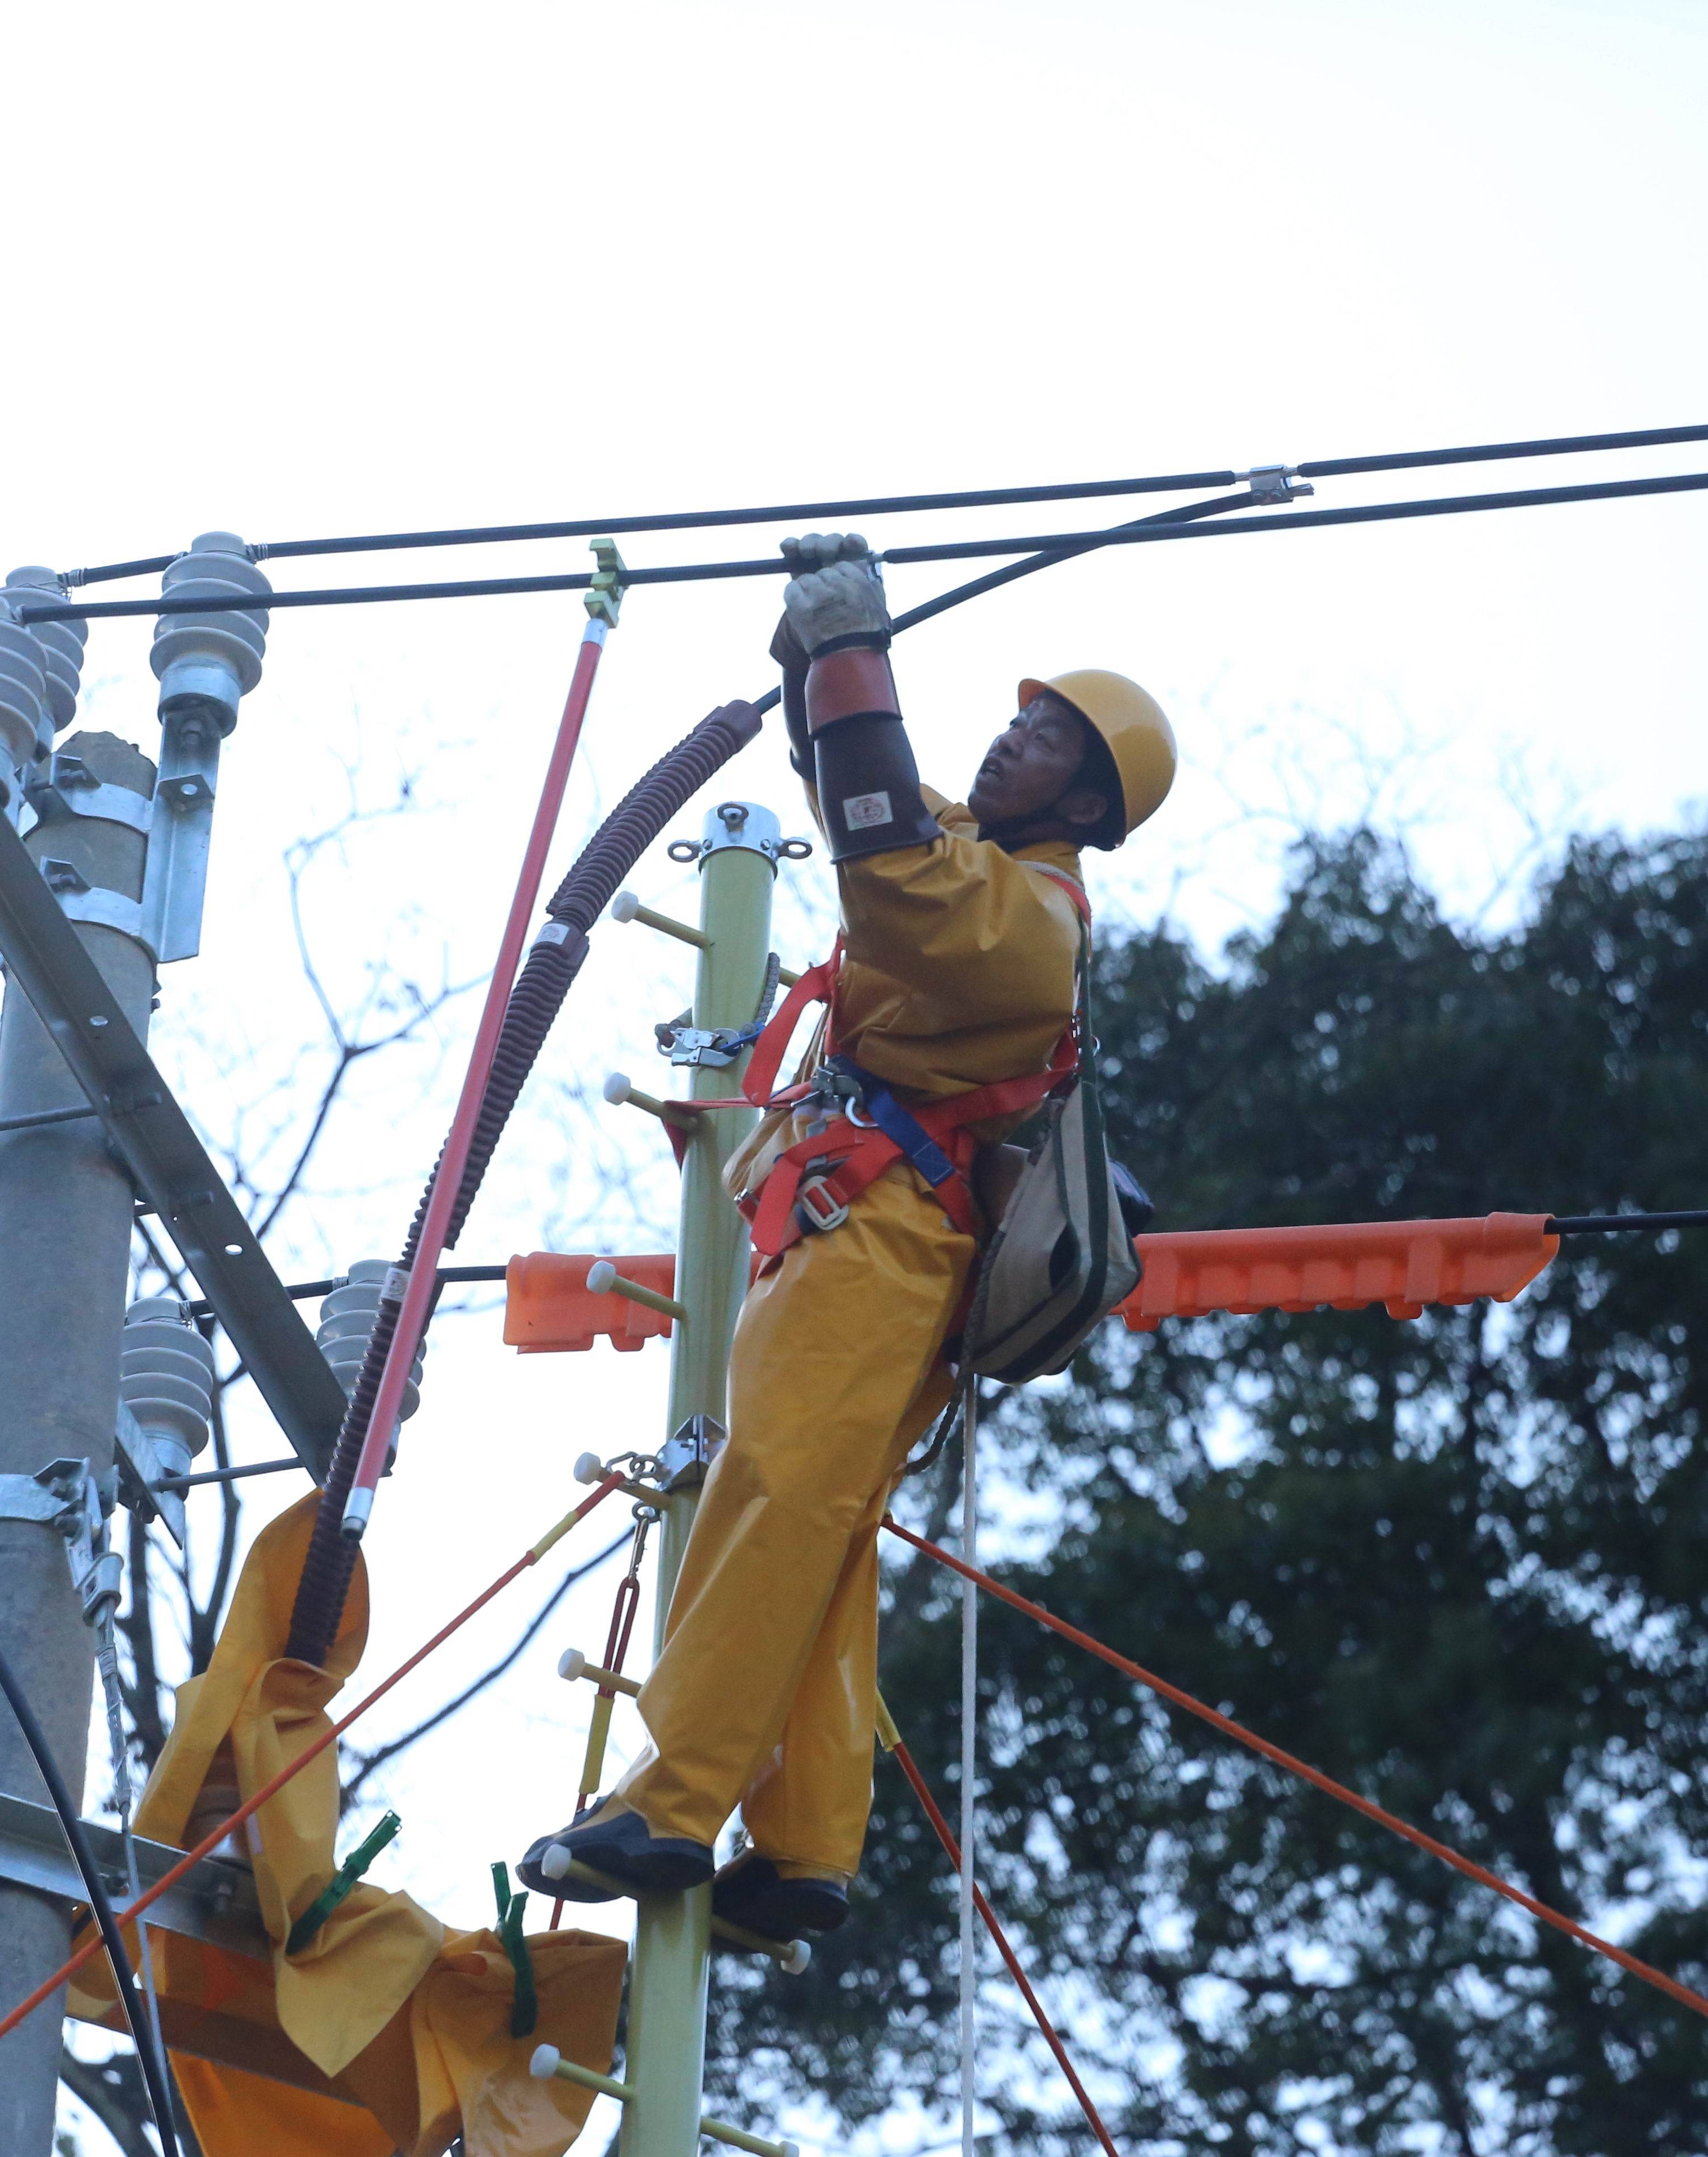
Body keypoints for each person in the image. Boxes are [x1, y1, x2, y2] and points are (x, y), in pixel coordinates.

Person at [522, 533, 1176, 1941]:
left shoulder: (1025, 925)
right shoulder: (982, 870)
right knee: (823, 1528)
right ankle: (808, 1841)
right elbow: (866, 798)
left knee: (775, 1495)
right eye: (1017, 720)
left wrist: (856, 656)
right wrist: (815, 660)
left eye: (1049, 742)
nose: (1013, 747)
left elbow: (882, 853)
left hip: (886, 1236)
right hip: (870, 1230)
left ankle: (672, 1807)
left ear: (1091, 802)